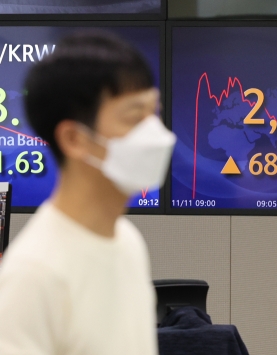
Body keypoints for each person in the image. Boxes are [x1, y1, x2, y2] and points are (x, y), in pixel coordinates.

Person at [0, 32, 175, 354]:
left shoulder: (127, 242)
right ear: (74, 139)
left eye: (155, 113)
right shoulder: (33, 275)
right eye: (134, 117)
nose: (155, 134)